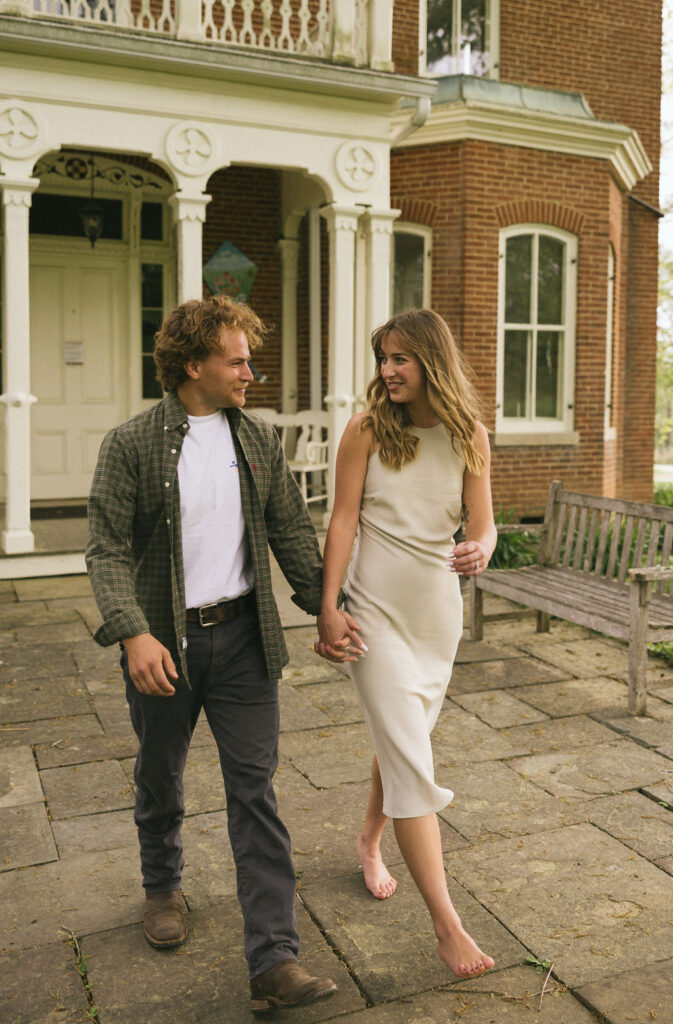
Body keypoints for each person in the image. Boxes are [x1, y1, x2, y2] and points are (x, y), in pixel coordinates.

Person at [86, 294, 353, 1014]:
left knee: (254, 793)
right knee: (159, 775)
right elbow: (105, 551)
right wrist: (131, 631)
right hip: (162, 644)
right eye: (237, 361)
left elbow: (292, 534)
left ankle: (274, 959)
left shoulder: (257, 441)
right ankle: (162, 886)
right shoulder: (131, 444)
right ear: (193, 363)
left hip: (243, 642)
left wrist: (326, 610)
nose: (249, 374)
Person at [316, 308, 497, 980]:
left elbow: (483, 526)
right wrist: (328, 606)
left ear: (430, 361)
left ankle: (368, 839)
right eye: (382, 359)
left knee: (403, 745)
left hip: (434, 621)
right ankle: (447, 928)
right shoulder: (364, 431)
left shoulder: (468, 435)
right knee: (411, 762)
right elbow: (340, 521)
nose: (387, 371)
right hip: (374, 616)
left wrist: (481, 547)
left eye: (399, 359)